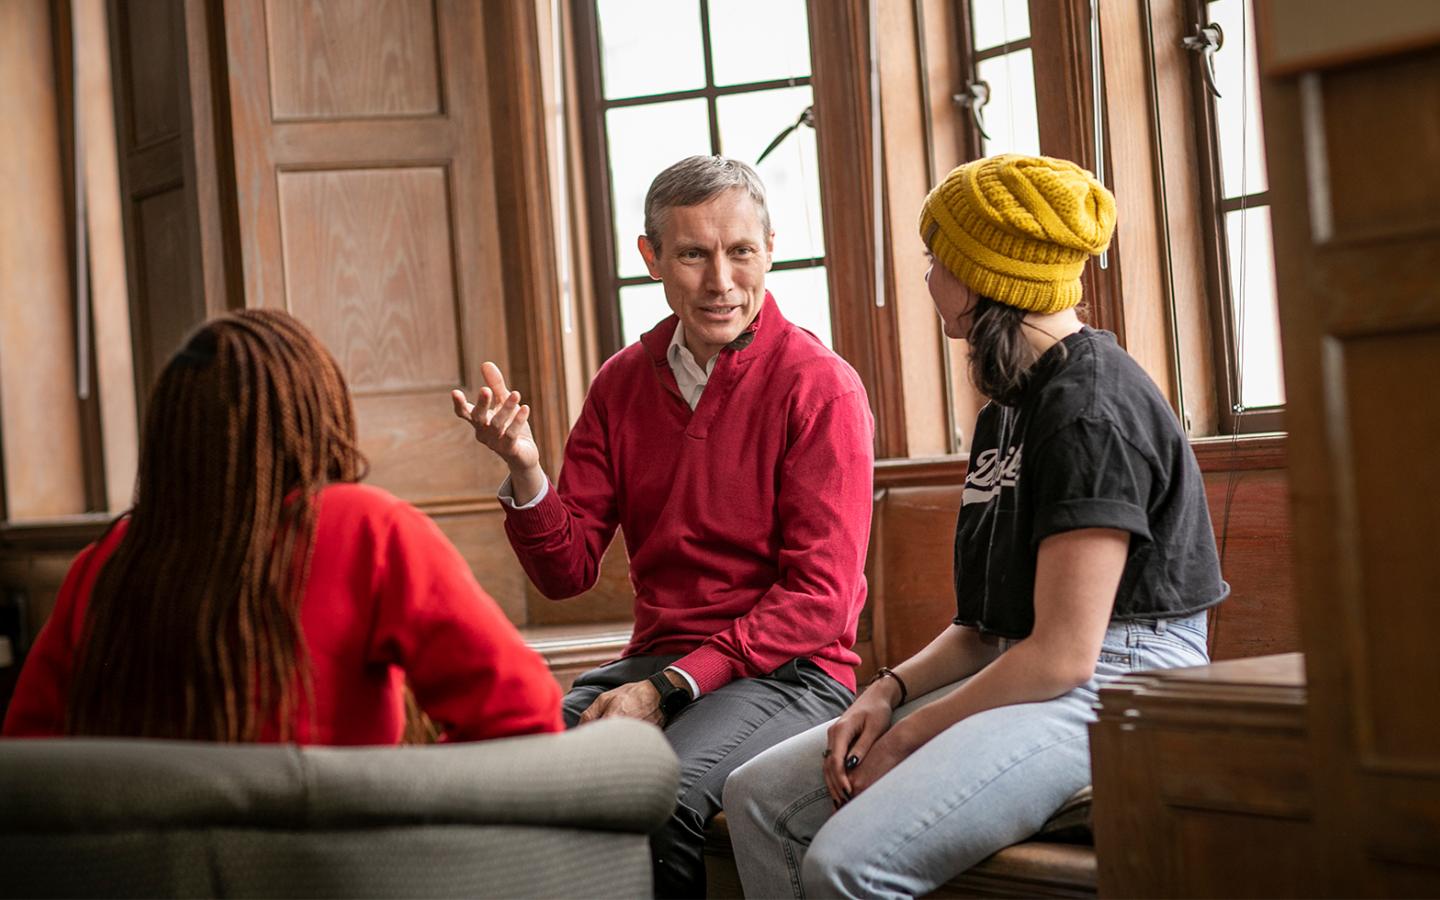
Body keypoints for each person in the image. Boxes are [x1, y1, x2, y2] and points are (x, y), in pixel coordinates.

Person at [723, 153, 1229, 899]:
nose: (927, 278)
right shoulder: (1009, 410)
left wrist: (910, 737)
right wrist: (884, 693)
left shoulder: (1091, 410)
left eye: (936, 259)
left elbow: (1065, 655)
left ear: (984, 274)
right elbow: (982, 628)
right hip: (1033, 662)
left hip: (1125, 685)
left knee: (847, 864)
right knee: (755, 798)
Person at [452, 155, 874, 897]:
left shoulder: (821, 386)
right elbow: (567, 571)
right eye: (692, 254)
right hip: (659, 661)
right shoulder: (621, 381)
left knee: (658, 800)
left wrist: (670, 688)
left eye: (741, 252)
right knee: (501, 772)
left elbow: (819, 601)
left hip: (792, 676)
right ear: (650, 258)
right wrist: (525, 469)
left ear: (770, 248)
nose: (721, 282)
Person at [4, 309, 562, 744]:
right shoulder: (364, 528)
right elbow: (527, 712)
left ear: (168, 432)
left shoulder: (106, 561)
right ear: (320, 414)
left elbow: (31, 761)